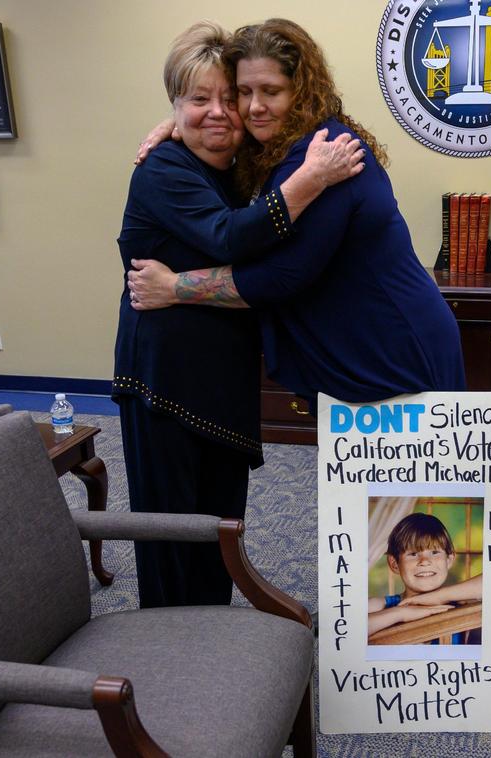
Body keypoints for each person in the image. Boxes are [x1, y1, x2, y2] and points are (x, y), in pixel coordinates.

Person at [114, 21, 362, 609]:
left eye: (230, 97)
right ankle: (174, 670)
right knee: (174, 539)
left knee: (221, 534)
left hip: (221, 380)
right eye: (199, 100)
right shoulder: (162, 170)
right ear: (175, 104)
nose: (223, 112)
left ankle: (216, 655)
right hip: (166, 383)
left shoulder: (237, 164)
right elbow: (229, 237)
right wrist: (312, 178)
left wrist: (181, 118)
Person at [127, 18, 465, 409]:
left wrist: (173, 287)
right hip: (367, 341)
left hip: (395, 345)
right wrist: (182, 122)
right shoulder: (274, 150)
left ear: (302, 92)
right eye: (244, 92)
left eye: (271, 91)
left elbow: (279, 276)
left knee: (410, 471)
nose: (254, 107)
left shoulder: (322, 156)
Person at [367, 513, 482, 642]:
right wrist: (400, 613)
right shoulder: (381, 606)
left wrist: (437, 597)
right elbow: (347, 628)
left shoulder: (462, 604)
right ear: (395, 564)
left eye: (434, 552)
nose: (425, 561)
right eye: (413, 553)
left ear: (449, 560)